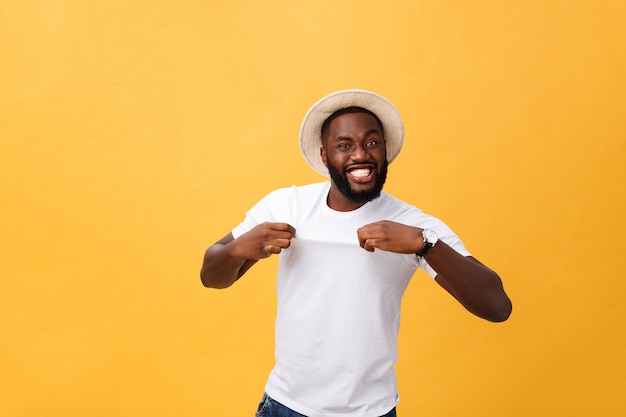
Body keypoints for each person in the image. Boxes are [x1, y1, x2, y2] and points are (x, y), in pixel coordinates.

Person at [200, 89, 512, 417]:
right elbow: (211, 276)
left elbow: (496, 307)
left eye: (372, 142)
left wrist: (426, 245)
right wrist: (239, 249)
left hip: (370, 411)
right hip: (285, 406)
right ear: (324, 156)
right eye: (344, 145)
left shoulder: (412, 224)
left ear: (385, 150)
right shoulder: (287, 205)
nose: (360, 155)